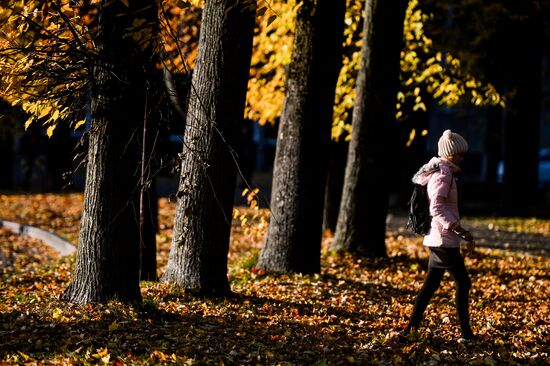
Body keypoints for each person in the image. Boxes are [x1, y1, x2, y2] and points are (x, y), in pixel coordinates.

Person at [403, 129, 477, 342]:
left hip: (439, 238)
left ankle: (411, 329)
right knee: (463, 283)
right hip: (443, 238)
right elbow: (436, 207)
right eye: (460, 154)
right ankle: (466, 334)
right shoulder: (443, 175)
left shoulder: (446, 173)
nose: (463, 158)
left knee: (431, 285)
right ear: (450, 154)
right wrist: (457, 228)